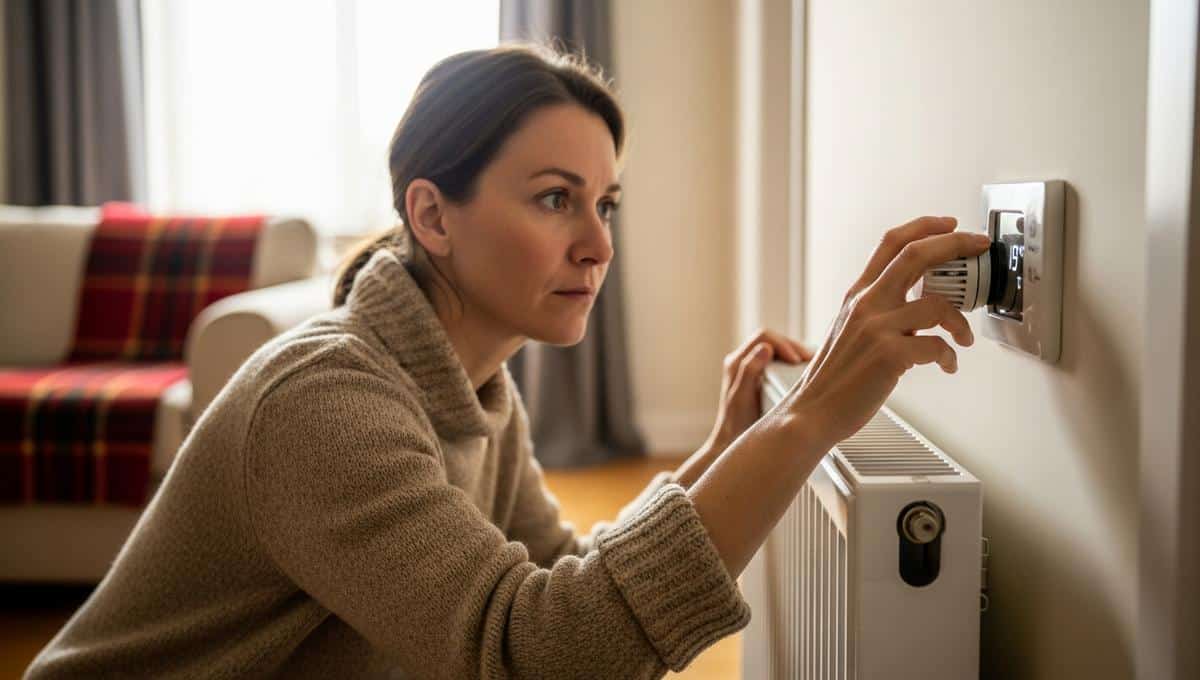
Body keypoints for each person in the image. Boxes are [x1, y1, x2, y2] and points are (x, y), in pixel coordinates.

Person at [25, 44, 987, 679]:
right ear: (432, 214)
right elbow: (535, 656)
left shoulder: (471, 386)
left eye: (605, 204)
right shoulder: (325, 403)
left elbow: (556, 575)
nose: (598, 246)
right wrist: (806, 421)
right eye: (555, 198)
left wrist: (730, 445)